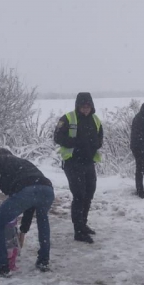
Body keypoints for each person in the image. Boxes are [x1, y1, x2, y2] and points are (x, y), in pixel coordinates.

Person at [0, 149, 55, 275]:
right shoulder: (22, 163)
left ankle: (2, 266)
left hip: (27, 190)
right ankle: (43, 261)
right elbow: (31, 202)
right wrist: (23, 231)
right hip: (47, 189)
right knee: (43, 220)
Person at [53, 92, 104, 243]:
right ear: (78, 106)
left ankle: (83, 223)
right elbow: (57, 137)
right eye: (83, 106)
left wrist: (96, 144)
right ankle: (78, 231)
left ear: (92, 106)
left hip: (89, 163)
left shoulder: (95, 119)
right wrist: (75, 143)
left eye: (88, 106)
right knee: (79, 195)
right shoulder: (68, 118)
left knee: (89, 194)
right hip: (73, 163)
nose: (86, 109)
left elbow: (100, 136)